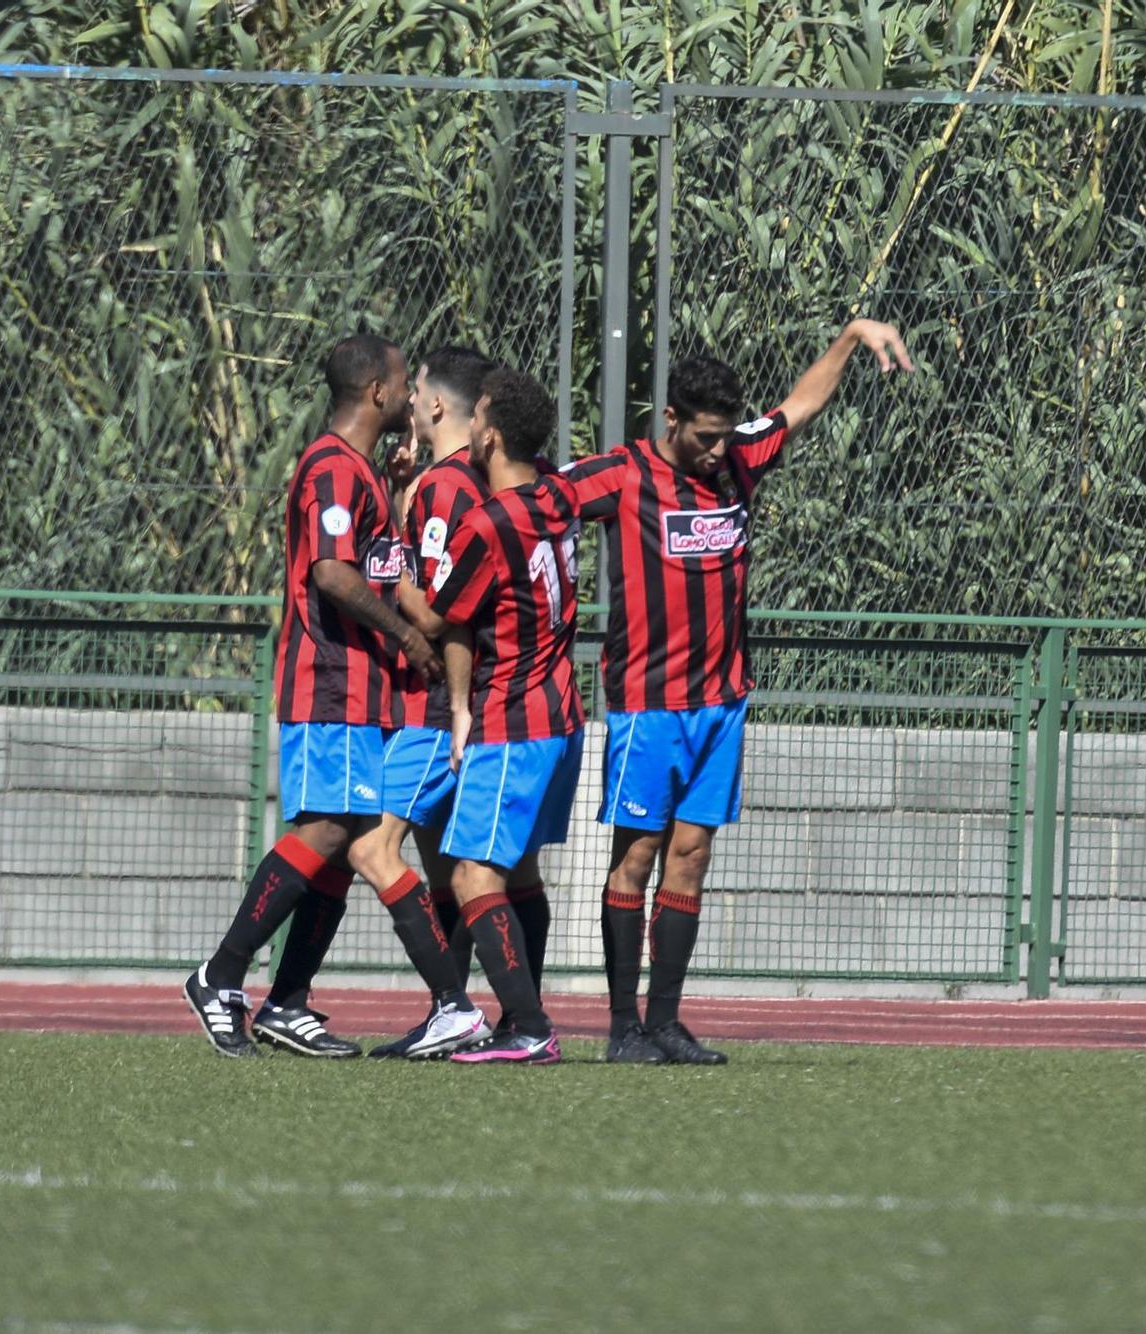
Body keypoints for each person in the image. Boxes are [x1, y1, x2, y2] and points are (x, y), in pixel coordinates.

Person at [560, 319, 913, 1064]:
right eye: (706, 436)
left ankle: (665, 1022)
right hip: (647, 706)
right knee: (638, 854)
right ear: (672, 421)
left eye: (727, 435)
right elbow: (534, 503)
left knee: (690, 857)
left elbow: (800, 406)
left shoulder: (740, 461)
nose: (720, 450)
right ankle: (622, 1027)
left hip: (721, 705)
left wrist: (852, 336)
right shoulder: (621, 474)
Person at [181, 334, 487, 1058]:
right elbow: (332, 574)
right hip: (328, 681)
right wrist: (409, 640)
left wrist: (396, 486)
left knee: (347, 841)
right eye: (403, 382)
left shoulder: (361, 472)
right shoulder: (328, 467)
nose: (412, 394)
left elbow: (370, 557)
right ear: (378, 393)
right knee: (327, 831)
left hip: (360, 691)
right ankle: (220, 975)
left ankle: (287, 1001)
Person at [422, 365, 587, 1065]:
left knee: (469, 877)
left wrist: (389, 568)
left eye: (479, 417)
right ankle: (527, 1014)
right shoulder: (557, 495)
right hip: (562, 713)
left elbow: (440, 615)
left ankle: (527, 1023)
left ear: (488, 437)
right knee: (518, 874)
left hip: (514, 716)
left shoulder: (488, 524)